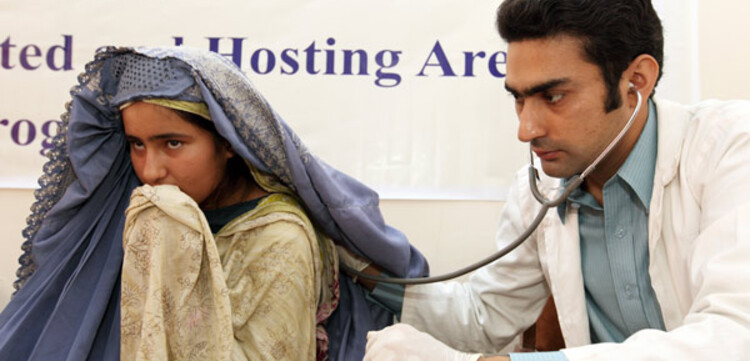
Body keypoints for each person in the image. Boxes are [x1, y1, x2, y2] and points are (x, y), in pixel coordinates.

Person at [363, 0, 750, 360]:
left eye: (553, 96)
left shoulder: (730, 148)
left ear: (636, 80)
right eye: (519, 98)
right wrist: (360, 265)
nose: (526, 129)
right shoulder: (538, 191)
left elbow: (733, 335)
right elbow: (485, 318)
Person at [0, 46, 429, 360]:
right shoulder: (149, 209)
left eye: (173, 143)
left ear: (228, 142)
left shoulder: (278, 237)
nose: (150, 170)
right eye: (136, 144)